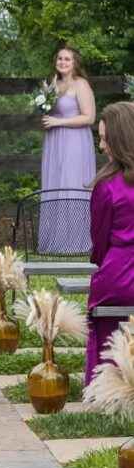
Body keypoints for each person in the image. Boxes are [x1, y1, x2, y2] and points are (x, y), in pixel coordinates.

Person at [85, 102, 134, 385]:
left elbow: (99, 244)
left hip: (118, 277)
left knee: (105, 322)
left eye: (106, 139)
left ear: (122, 138)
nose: (102, 145)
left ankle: (107, 386)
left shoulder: (107, 186)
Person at [39, 46, 96, 254]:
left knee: (71, 183)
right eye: (60, 58)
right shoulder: (54, 85)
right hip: (54, 141)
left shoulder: (81, 84)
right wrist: (48, 120)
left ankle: (75, 241)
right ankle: (54, 240)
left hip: (74, 141)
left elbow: (89, 117)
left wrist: (58, 122)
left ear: (75, 63)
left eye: (67, 59)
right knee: (55, 183)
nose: (62, 62)